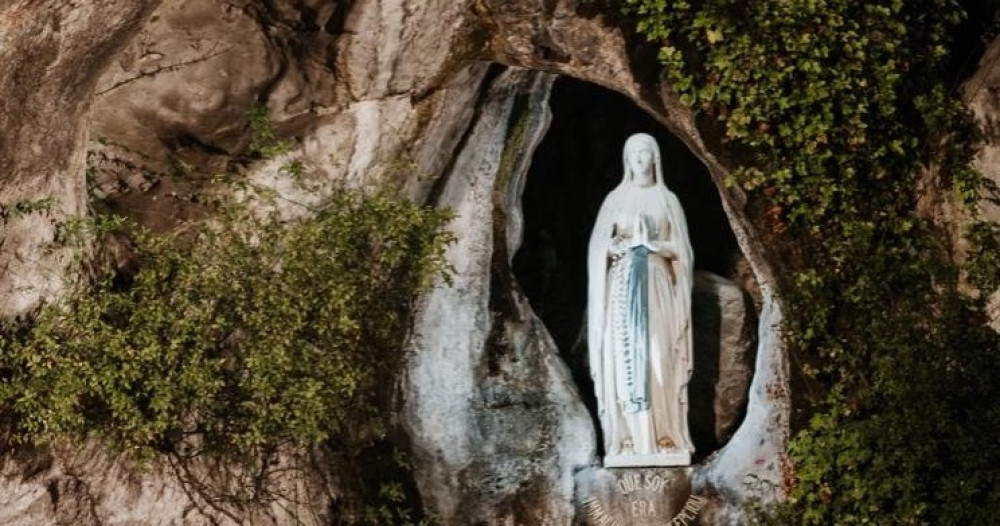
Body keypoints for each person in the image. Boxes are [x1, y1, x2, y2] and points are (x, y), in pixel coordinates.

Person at [586, 133, 694, 467]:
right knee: (624, 360)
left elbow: (683, 251)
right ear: (625, 159)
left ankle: (664, 436)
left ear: (655, 158)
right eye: (633, 152)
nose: (639, 158)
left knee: (659, 357)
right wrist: (615, 247)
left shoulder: (667, 200)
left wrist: (654, 245)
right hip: (621, 290)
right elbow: (596, 249)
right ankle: (631, 439)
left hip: (656, 285)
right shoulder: (615, 199)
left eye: (645, 152)